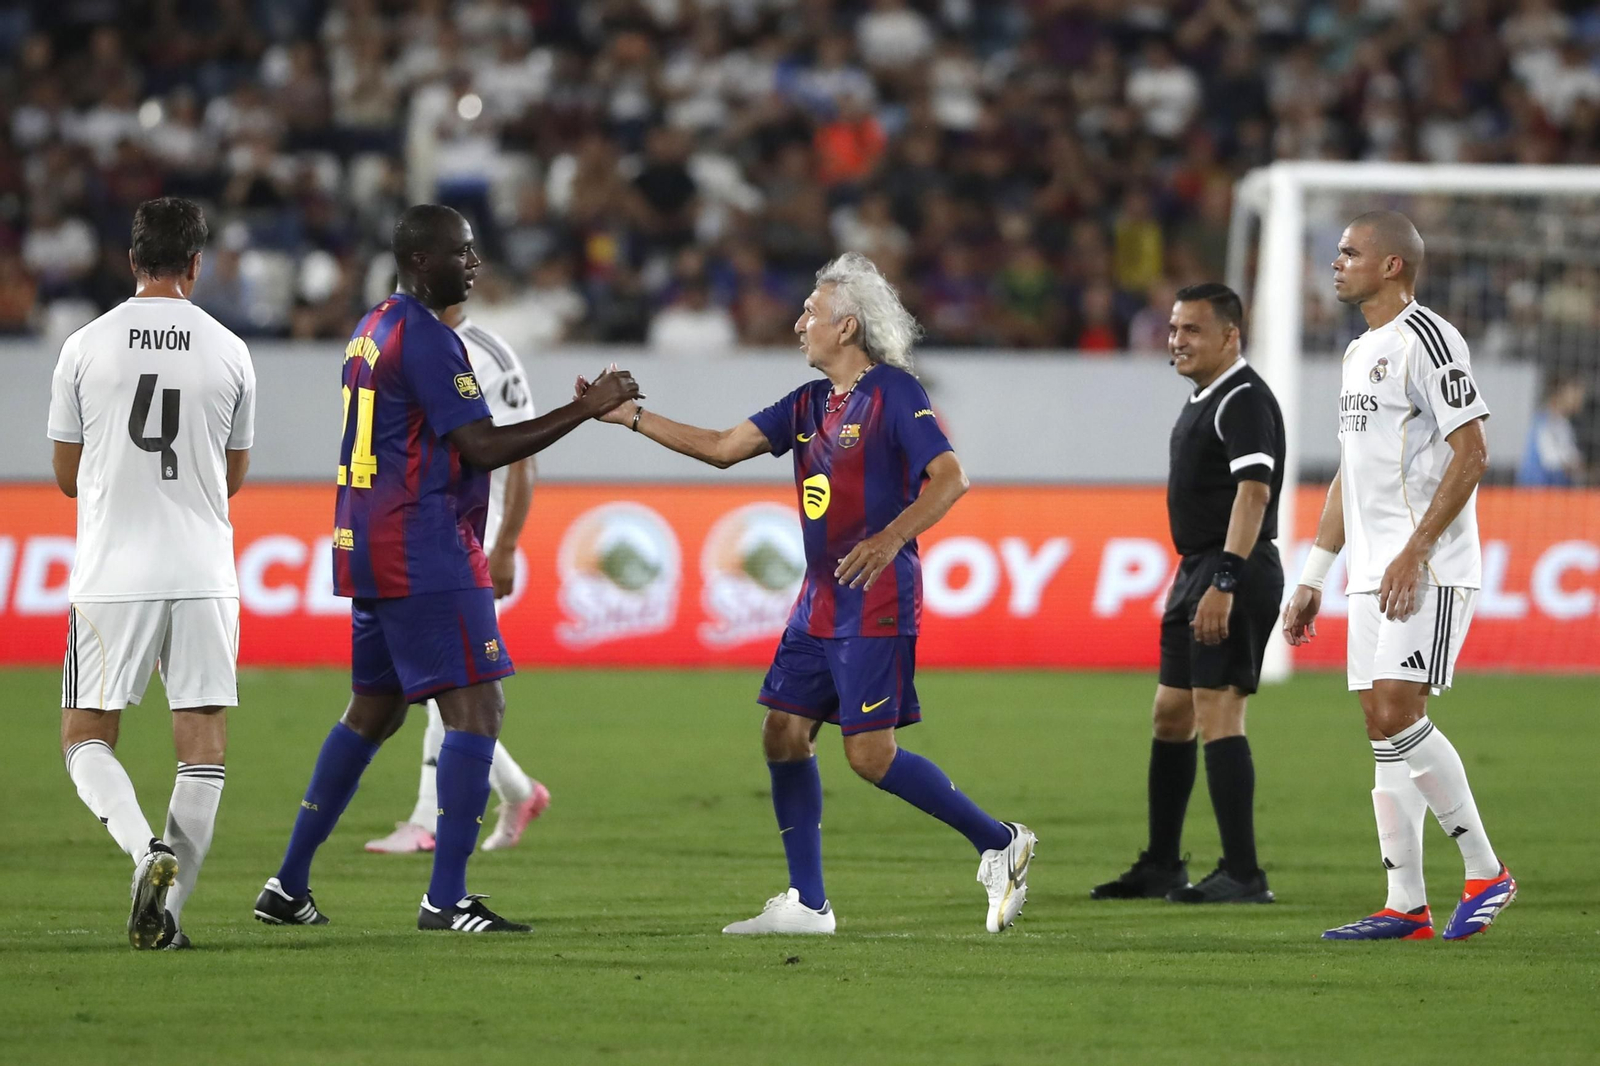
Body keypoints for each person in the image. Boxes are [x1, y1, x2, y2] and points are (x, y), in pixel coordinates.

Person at [576, 252, 1036, 935]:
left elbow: (950, 477)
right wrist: (631, 416)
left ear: (847, 327)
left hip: (874, 594)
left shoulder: (894, 393)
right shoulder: (808, 404)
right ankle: (808, 905)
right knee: (784, 733)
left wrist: (888, 539)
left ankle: (999, 841)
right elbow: (724, 447)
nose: (798, 325)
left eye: (811, 314)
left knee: (869, 756)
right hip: (819, 602)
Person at [253, 205, 639, 934]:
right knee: (477, 709)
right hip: (423, 543)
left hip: (367, 539)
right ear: (421, 260)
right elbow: (485, 447)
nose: (474, 263)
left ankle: (287, 883)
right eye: (461, 253)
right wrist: (586, 408)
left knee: (374, 709)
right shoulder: (430, 341)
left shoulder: (373, 327)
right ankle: (447, 898)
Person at [1284, 210, 1515, 942]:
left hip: (1429, 566)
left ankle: (1486, 871)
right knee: (1379, 724)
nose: (1336, 263)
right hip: (1370, 572)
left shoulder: (1430, 339)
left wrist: (1414, 551)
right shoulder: (1359, 353)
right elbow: (1350, 477)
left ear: (1392, 266)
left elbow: (1472, 452)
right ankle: (1405, 904)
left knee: (1398, 707)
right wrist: (1315, 572)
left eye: (1350, 252)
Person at [48, 196, 256, 950]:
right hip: (203, 568)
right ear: (196, 265)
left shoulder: (85, 346)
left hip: (112, 571)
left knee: (85, 737)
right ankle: (167, 920)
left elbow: (68, 476)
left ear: (131, 261)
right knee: (202, 744)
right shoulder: (230, 349)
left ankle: (146, 852)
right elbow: (233, 476)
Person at [1091, 283, 1283, 905]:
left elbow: (1254, 494)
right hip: (1196, 569)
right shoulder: (1208, 398)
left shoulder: (1244, 399)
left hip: (1234, 569)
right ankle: (1163, 864)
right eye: (1174, 329)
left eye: (1192, 330)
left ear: (1230, 335)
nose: (1177, 341)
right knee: (1171, 715)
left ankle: (1244, 873)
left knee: (1219, 711)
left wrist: (1226, 578)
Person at [364, 303, 551, 855]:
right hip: (413, 533)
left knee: (452, 676)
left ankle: (430, 818)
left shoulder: (488, 353)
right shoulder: (389, 337)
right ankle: (519, 792)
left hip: (470, 535)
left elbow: (522, 455)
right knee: (438, 678)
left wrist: (507, 543)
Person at [1515, 374, 1586, 486]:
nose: (1580, 398)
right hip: (1538, 492)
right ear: (1559, 394)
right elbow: (1551, 462)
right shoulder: (1543, 423)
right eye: (1574, 393)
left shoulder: (1563, 424)